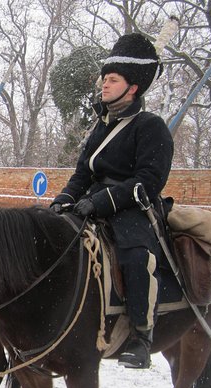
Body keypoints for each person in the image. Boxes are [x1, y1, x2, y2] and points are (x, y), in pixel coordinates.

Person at [50, 33, 173, 369]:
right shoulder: (100, 126)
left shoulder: (151, 126)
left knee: (135, 256)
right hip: (90, 202)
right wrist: (64, 199)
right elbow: (82, 174)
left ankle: (141, 334)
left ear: (132, 87)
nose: (103, 85)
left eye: (112, 79)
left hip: (131, 208)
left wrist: (103, 202)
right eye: (104, 79)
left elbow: (148, 182)